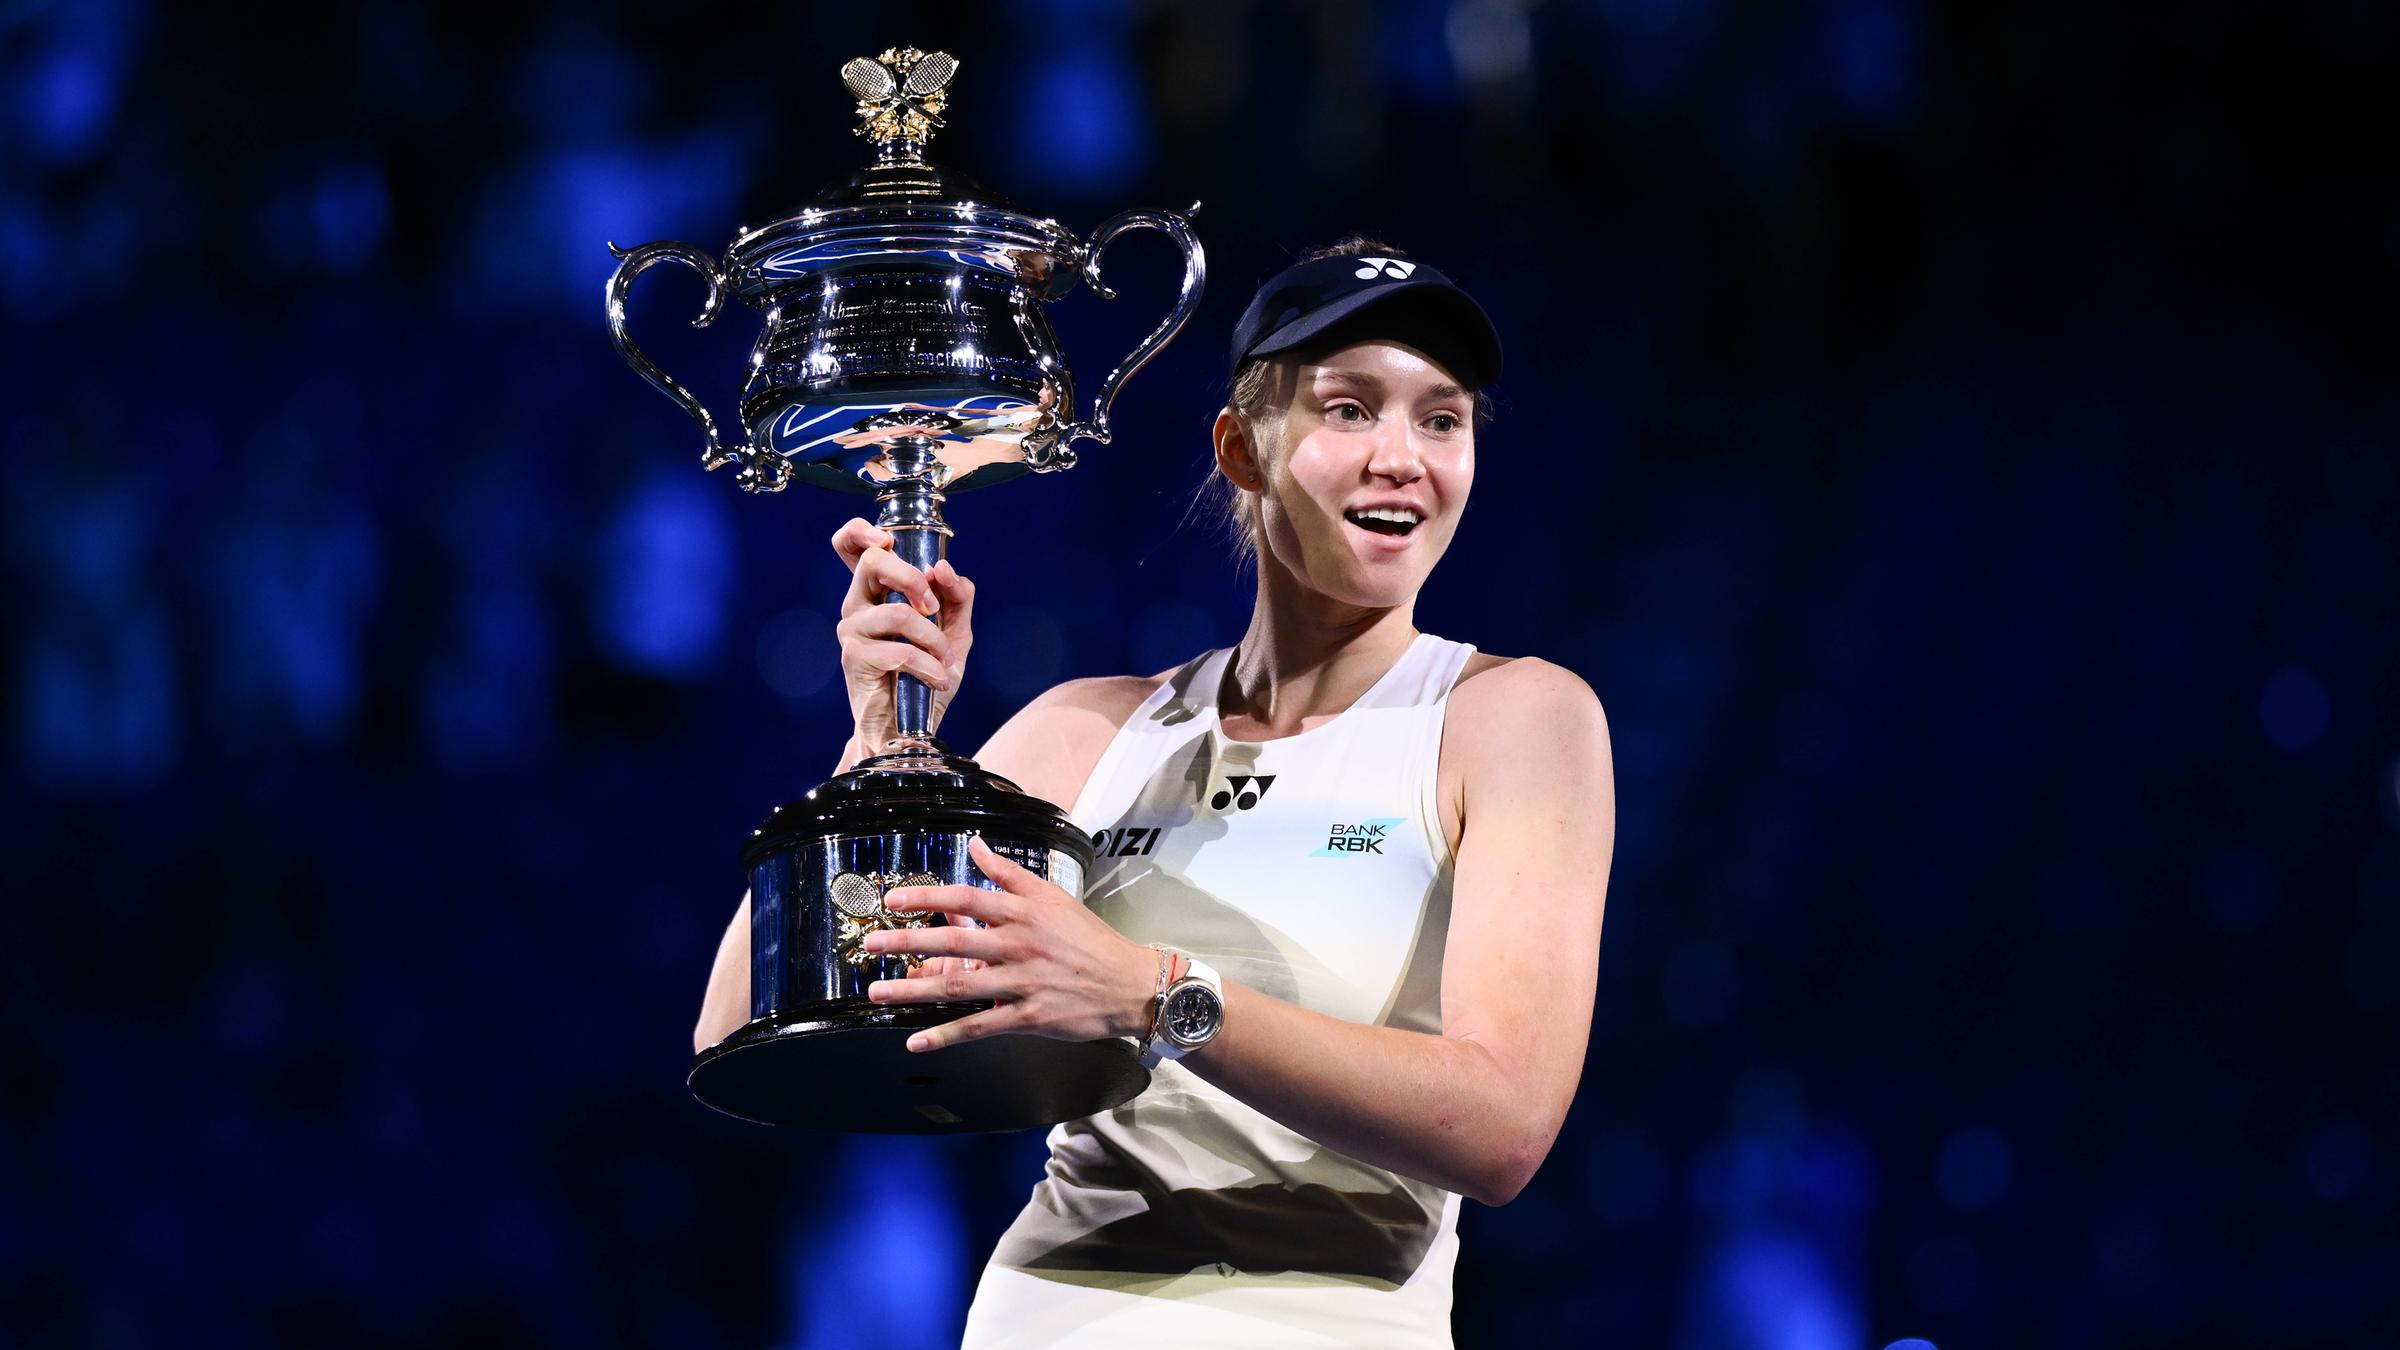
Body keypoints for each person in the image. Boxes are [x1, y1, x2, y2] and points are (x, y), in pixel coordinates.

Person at [693, 238, 1615, 1348]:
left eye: (1441, 418)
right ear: (1242, 449)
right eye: (1349, 409)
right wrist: (880, 746)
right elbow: (742, 1021)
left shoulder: (1516, 718)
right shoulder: (1091, 728)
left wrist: (1152, 993)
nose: (1402, 457)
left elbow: (1503, 1126)